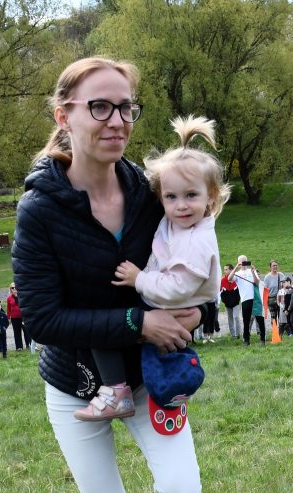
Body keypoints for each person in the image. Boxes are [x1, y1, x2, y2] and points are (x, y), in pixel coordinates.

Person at [11, 57, 211, 493]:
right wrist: (136, 320)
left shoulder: (151, 192)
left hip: (151, 375)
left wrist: (196, 309)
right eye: (100, 106)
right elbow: (41, 318)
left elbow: (191, 261)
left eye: (126, 107)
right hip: (76, 386)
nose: (117, 119)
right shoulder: (40, 209)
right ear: (63, 115)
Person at [86, 115, 225, 418]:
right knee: (154, 353)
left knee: (104, 324)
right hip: (169, 303)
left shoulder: (197, 241)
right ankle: (156, 393)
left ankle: (122, 392)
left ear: (211, 197)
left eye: (191, 195)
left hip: (171, 304)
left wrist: (138, 279)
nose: (181, 205)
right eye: (171, 197)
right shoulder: (179, 223)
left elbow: (176, 288)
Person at [230, 256, 264, 346]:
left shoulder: (251, 270)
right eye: (241, 262)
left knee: (259, 318)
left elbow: (257, 282)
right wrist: (236, 267)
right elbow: (229, 278)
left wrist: (253, 272)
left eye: (245, 261)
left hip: (255, 298)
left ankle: (262, 339)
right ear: (238, 262)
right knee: (246, 320)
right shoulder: (237, 273)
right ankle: (246, 340)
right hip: (245, 299)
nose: (243, 263)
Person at [263, 260, 290, 327]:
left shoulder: (281, 275)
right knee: (273, 317)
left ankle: (282, 330)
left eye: (276, 265)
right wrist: (266, 301)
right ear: (270, 267)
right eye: (273, 266)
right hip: (272, 299)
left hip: (281, 299)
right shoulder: (267, 277)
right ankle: (274, 331)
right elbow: (265, 290)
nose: (275, 267)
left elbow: (285, 286)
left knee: (281, 316)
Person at [219, 264, 242, 340]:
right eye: (224, 269)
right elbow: (220, 292)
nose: (225, 271)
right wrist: (224, 301)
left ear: (231, 270)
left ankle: (238, 334)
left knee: (236, 317)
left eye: (226, 269)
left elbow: (240, 291)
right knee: (230, 319)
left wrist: (237, 300)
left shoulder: (236, 279)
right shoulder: (222, 280)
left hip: (236, 303)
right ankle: (233, 335)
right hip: (227, 304)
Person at [6, 283, 31, 351]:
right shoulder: (9, 298)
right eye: (12, 288)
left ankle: (29, 345)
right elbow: (8, 309)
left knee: (26, 331)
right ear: (10, 289)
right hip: (14, 318)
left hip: (24, 317)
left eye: (15, 287)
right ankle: (19, 347)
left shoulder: (23, 296)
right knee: (17, 332)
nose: (14, 289)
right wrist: (8, 317)